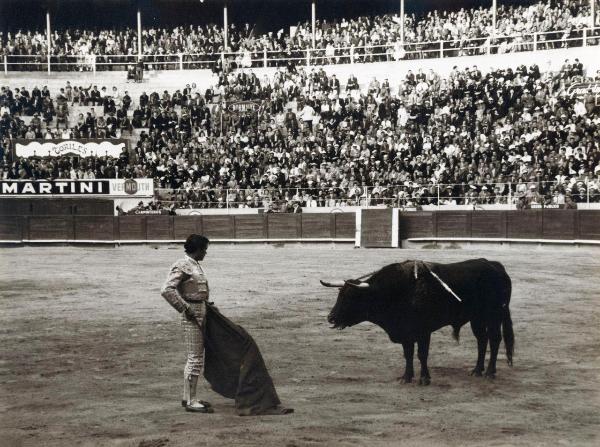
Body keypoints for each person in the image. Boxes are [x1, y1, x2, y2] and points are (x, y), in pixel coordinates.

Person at [161, 234, 214, 413]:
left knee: (196, 357)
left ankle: (189, 397)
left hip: (200, 311)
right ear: (197, 249)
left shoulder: (193, 265)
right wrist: (184, 308)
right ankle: (191, 401)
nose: (205, 253)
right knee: (195, 357)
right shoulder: (183, 265)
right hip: (192, 315)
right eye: (204, 249)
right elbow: (167, 289)